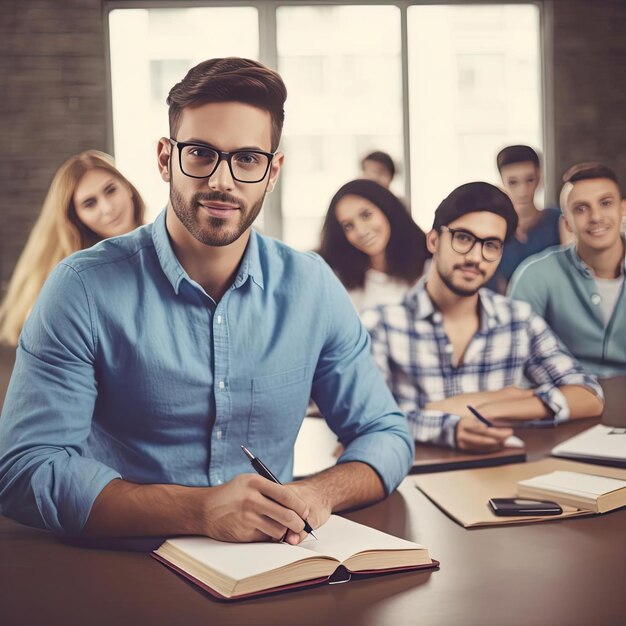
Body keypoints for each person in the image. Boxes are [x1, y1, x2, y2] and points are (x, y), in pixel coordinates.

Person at [0, 58, 413, 543]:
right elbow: (25, 471)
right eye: (200, 153)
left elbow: (385, 434)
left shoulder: (313, 287)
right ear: (164, 158)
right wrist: (198, 510)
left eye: (248, 158)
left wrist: (315, 494)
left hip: (270, 567)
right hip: (124, 570)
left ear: (272, 170)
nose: (222, 180)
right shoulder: (81, 288)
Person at [363, 182, 603, 452]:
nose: (476, 257)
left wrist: (488, 406)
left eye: (491, 245)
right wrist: (449, 428)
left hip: (501, 473)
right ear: (433, 240)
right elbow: (369, 420)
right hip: (414, 477)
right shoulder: (381, 325)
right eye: (463, 238)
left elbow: (589, 395)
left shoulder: (517, 319)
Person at [0, 150, 145, 346]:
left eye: (111, 190)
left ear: (127, 187)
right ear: (76, 217)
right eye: (89, 203)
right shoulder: (77, 278)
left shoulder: (169, 244)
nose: (107, 208)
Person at [509, 162, 626, 377]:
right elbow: (516, 358)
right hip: (566, 398)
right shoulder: (535, 275)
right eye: (581, 209)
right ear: (567, 223)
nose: (596, 217)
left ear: (623, 209)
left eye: (606, 203)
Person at [319, 179, 429, 313]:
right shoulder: (340, 283)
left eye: (366, 215)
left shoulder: (430, 268)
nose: (361, 231)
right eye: (348, 226)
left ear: (386, 208)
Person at [487, 145, 567, 293]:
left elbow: (571, 272)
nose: (522, 190)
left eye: (529, 180)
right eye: (513, 182)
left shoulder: (558, 220)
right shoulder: (493, 230)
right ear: (501, 183)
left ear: (539, 179)